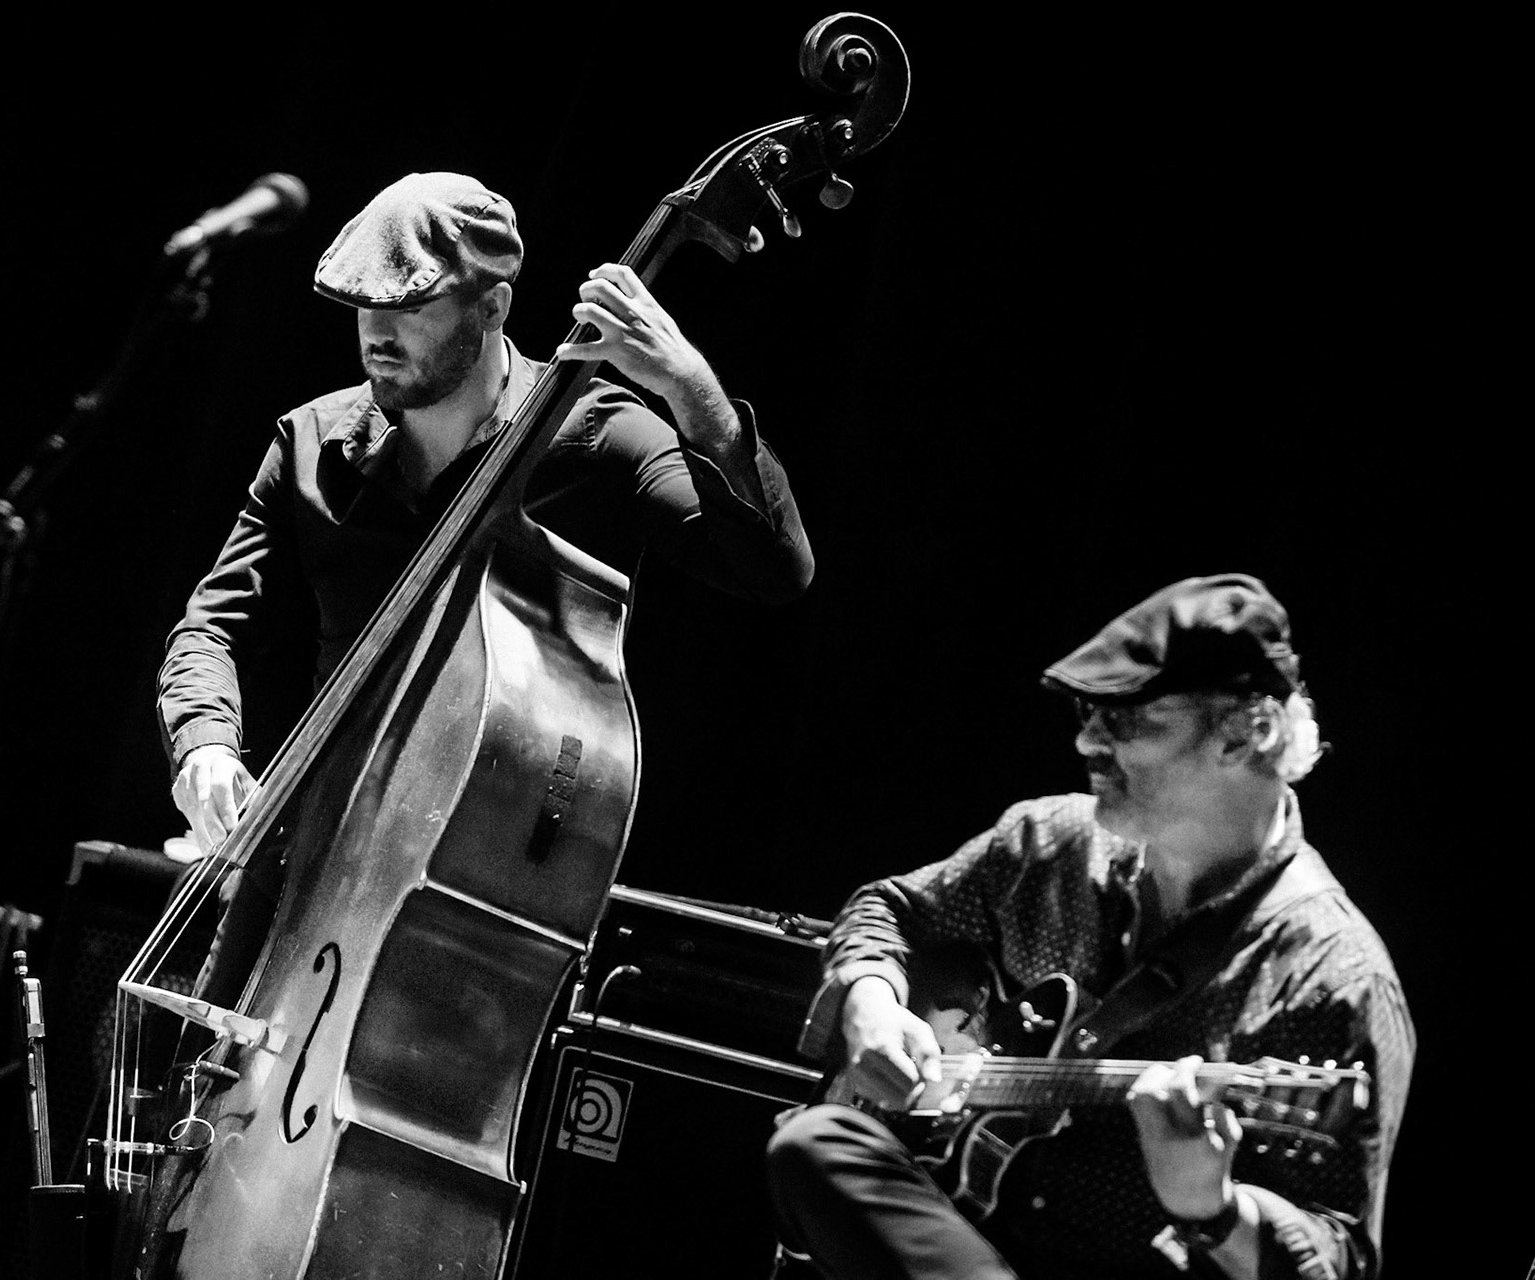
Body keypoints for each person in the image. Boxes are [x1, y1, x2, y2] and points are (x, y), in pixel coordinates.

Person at [155, 171, 814, 1000]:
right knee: (189, 1103)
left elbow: (774, 568)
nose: (379, 335)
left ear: (493, 307)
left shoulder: (599, 439)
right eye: (367, 307)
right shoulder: (311, 443)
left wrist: (692, 390)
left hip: (480, 886)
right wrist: (206, 742)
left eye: (411, 309)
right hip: (306, 847)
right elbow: (211, 626)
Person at [766, 574, 1413, 1279]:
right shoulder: (1049, 845)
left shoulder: (1336, 976)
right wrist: (871, 1001)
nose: (1086, 741)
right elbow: (890, 909)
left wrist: (1213, 1208)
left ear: (1245, 732)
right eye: (1087, 712)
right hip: (963, 1242)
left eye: (1127, 719)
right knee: (813, 1141)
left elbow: (1341, 1258)